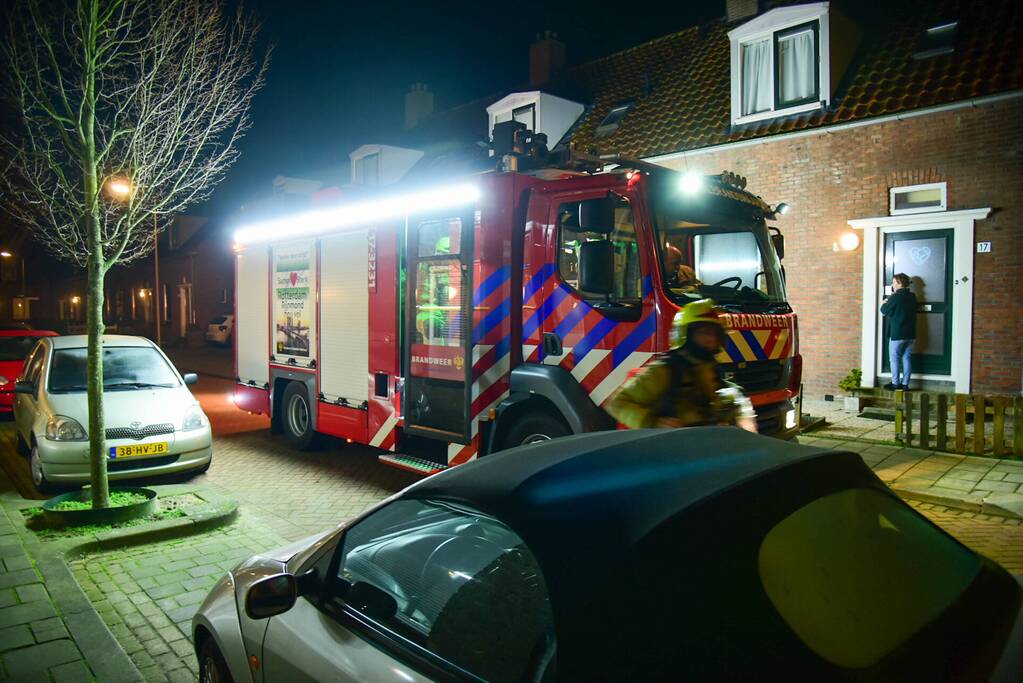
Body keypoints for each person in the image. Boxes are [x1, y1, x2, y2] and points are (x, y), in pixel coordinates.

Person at [606, 299, 756, 431]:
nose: (710, 340)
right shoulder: (663, 370)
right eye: (703, 332)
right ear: (685, 334)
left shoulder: (710, 369)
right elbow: (617, 404)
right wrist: (653, 423)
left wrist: (731, 408)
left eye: (714, 334)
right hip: (673, 450)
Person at [881, 272, 917, 390]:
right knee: (907, 358)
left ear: (900, 283)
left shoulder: (896, 296)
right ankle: (905, 384)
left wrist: (883, 303)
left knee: (894, 358)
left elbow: (885, 310)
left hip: (898, 333)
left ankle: (896, 383)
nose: (893, 284)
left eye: (894, 282)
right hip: (911, 333)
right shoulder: (912, 296)